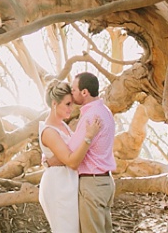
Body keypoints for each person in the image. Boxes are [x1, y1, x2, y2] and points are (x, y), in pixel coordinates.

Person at [38, 79, 102, 233]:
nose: (71, 108)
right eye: (67, 104)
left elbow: (70, 153)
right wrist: (89, 137)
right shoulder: (49, 131)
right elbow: (72, 162)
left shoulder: (62, 125)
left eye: (72, 104)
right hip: (58, 187)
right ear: (54, 104)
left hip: (69, 185)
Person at [67, 72, 117, 233]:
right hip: (105, 183)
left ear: (84, 92)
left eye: (74, 90)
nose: (72, 93)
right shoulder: (105, 111)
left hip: (92, 184)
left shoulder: (91, 116)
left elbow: (71, 152)